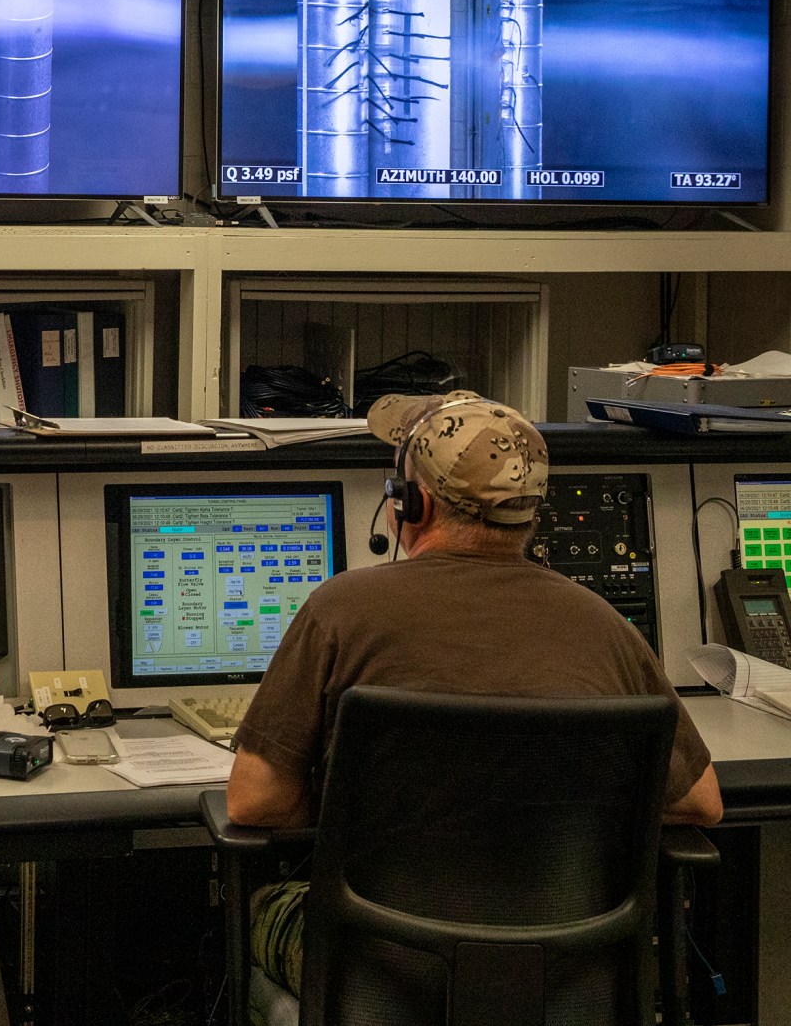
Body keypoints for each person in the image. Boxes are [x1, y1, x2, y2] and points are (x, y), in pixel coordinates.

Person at [225, 390, 721, 1002]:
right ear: (530, 512)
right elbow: (701, 805)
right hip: (568, 970)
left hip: (385, 968)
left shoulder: (340, 611)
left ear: (413, 503)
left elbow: (254, 803)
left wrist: (365, 803)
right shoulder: (606, 627)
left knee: (257, 908)